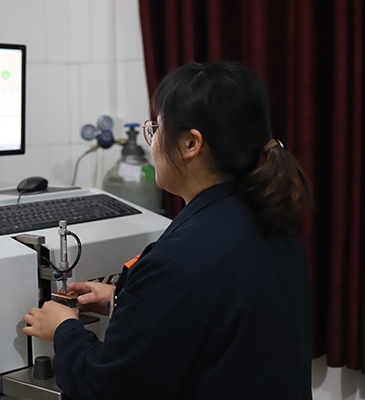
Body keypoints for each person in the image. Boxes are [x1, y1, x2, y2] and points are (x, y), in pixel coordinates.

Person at [23, 62, 314, 400]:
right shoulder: (275, 223)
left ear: (191, 143)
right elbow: (216, 321)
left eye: (157, 128)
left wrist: (63, 328)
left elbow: (103, 387)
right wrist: (124, 301)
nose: (153, 141)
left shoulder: (176, 263)